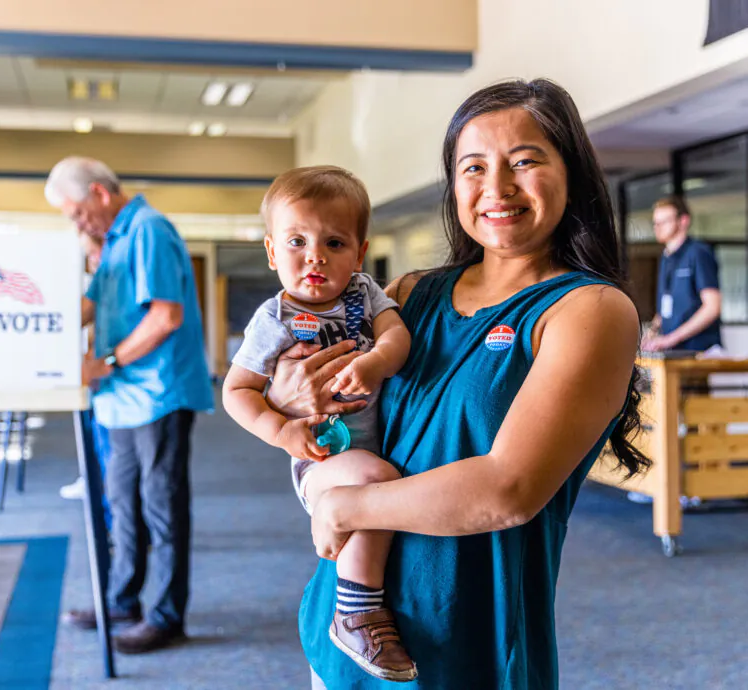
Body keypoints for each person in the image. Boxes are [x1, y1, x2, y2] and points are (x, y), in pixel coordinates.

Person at [265, 79, 650, 689]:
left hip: (470, 642)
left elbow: (508, 489)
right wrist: (289, 398)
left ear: (570, 171)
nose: (497, 188)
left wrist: (345, 506)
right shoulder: (409, 295)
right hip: (347, 626)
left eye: (524, 161)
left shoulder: (588, 311)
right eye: (473, 167)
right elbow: (319, 406)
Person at [222, 166, 416, 682]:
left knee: (380, 483)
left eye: (334, 242)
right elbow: (236, 392)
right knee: (377, 484)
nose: (315, 256)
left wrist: (375, 362)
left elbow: (396, 338)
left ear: (359, 251)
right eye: (296, 241)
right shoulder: (274, 318)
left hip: (372, 447)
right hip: (321, 463)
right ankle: (355, 611)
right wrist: (283, 431)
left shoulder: (365, 294)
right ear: (271, 253)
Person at [45, 157, 213, 654]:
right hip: (120, 400)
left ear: (99, 193)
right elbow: (90, 303)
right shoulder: (114, 240)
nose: (77, 224)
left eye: (76, 213)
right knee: (122, 505)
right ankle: (122, 599)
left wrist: (106, 361)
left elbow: (165, 317)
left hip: (158, 393)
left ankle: (166, 615)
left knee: (161, 507)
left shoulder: (149, 229)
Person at [60, 232, 113, 530]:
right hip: (97, 380)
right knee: (100, 446)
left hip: (108, 377)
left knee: (109, 456)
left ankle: (110, 520)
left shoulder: (110, 285)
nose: (94, 262)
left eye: (96, 254)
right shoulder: (98, 286)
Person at [641, 195, 722, 353]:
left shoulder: (698, 253)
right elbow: (666, 308)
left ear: (683, 221)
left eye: (664, 221)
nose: (658, 227)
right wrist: (651, 332)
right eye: (655, 223)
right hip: (673, 351)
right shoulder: (666, 257)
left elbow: (712, 307)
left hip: (698, 350)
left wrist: (672, 338)